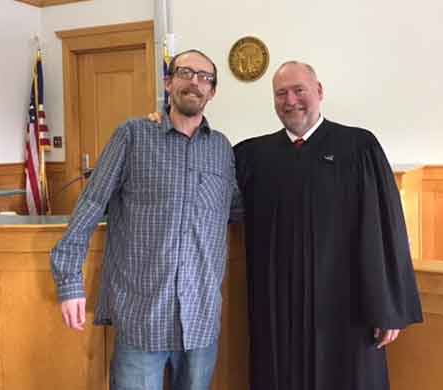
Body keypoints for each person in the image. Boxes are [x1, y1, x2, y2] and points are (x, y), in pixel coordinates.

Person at [50, 49, 239, 390]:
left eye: (205, 77)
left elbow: (236, 209)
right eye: (185, 73)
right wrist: (69, 281)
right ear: (168, 83)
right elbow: (91, 204)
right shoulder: (132, 135)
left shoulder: (223, 150)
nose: (194, 82)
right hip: (143, 314)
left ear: (212, 92)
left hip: (200, 318)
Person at [233, 61, 423, 390]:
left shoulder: (358, 147)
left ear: (319, 92)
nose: (290, 100)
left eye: (299, 90)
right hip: (278, 307)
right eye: (281, 93)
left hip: (346, 307)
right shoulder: (253, 156)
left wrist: (387, 307)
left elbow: (386, 227)